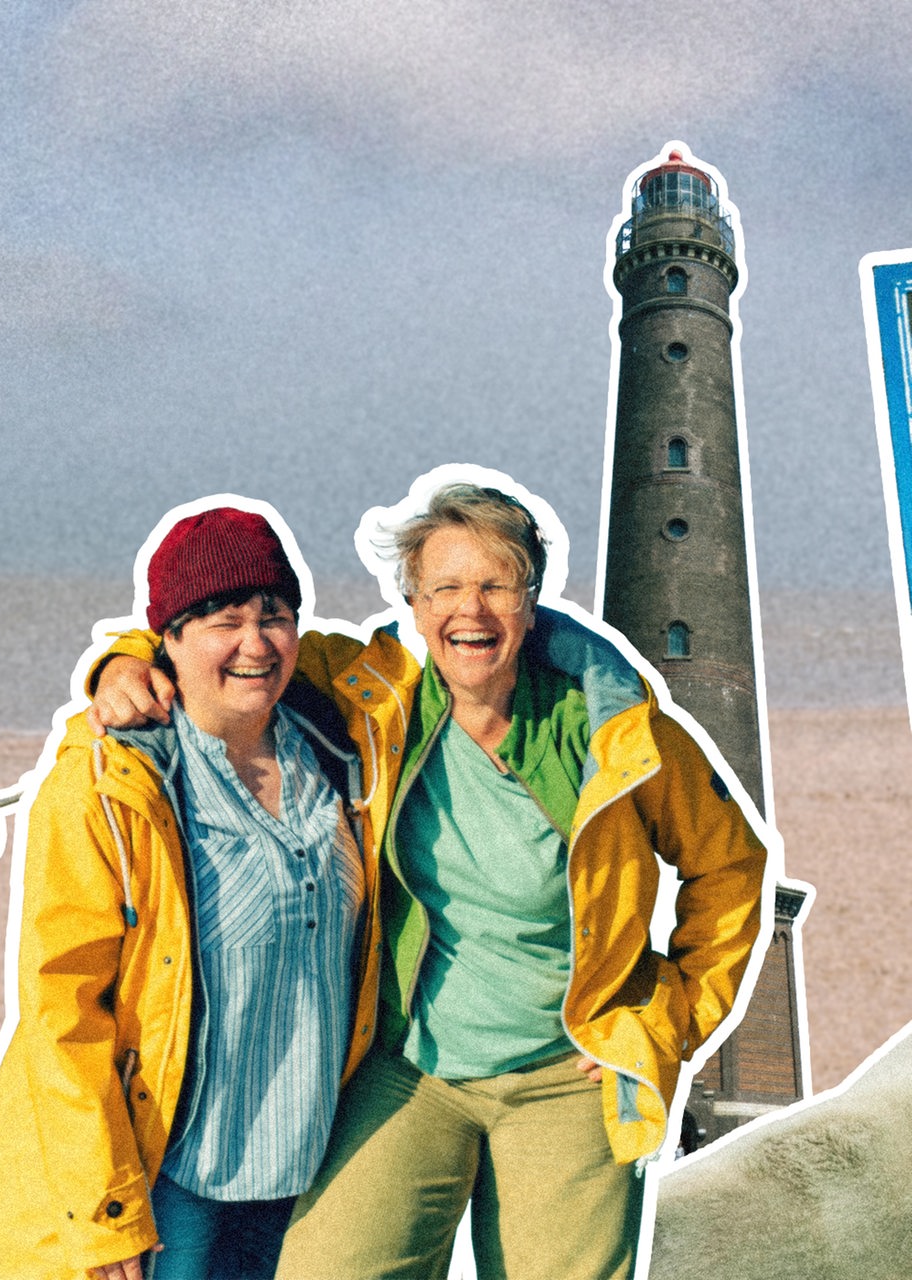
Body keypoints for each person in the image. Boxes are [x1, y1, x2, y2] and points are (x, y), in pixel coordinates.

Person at [90, 480, 769, 1280]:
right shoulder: (375, 696)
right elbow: (229, 644)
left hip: (565, 1072)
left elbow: (730, 866)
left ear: (532, 599)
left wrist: (674, 1017)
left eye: (495, 585)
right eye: (444, 587)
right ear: (411, 603)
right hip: (409, 1067)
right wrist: (122, 662)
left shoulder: (605, 730)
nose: (470, 612)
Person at [0, 505, 418, 1280]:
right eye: (222, 621)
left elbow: (464, 629)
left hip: (308, 1179)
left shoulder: (342, 741)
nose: (255, 643)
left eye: (274, 616)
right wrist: (107, 1213)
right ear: (169, 640)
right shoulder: (107, 784)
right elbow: (61, 1011)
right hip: (170, 1188)